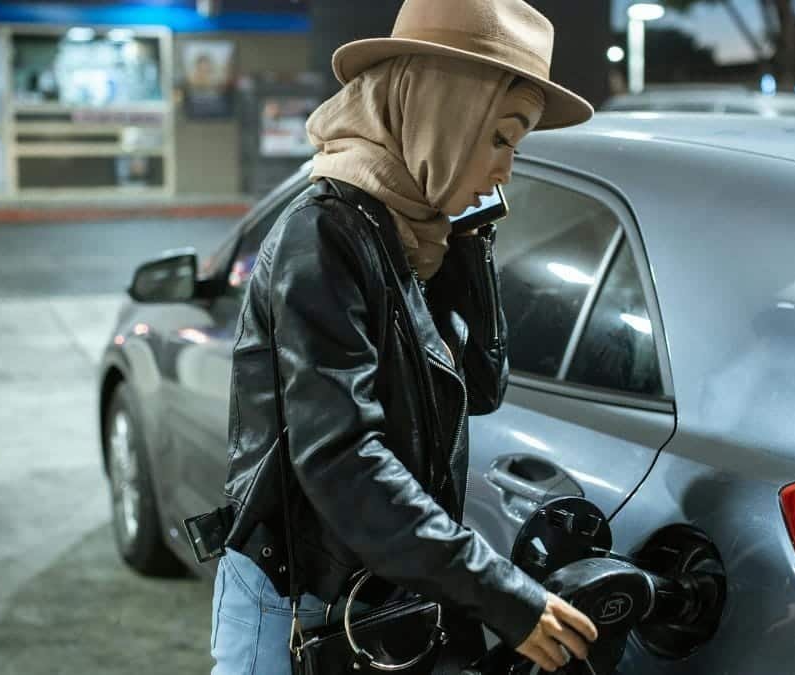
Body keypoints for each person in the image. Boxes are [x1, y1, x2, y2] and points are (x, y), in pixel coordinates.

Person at [211, 1, 597, 673]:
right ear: (440, 113)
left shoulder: (412, 228)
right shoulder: (325, 237)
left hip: (376, 595)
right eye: (500, 137)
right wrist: (498, 593)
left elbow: (480, 384)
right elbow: (342, 457)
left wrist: (471, 239)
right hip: (298, 603)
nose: (507, 169)